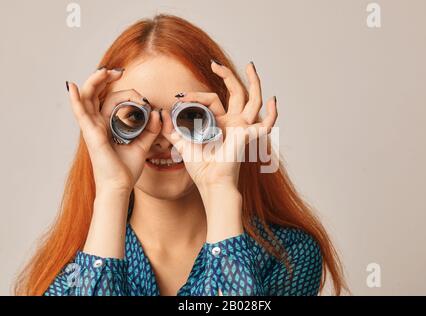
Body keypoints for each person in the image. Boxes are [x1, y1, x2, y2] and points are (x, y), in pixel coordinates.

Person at [15, 14, 347, 296]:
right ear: (104, 129)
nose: (163, 139)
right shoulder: (73, 270)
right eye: (135, 117)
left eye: (188, 116)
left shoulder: (286, 255)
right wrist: (112, 190)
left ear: (224, 119)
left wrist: (219, 187)